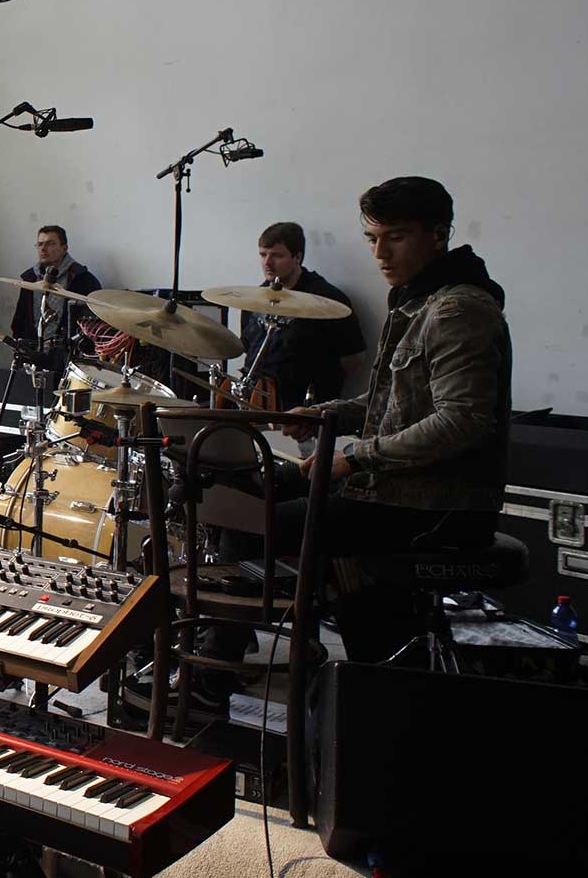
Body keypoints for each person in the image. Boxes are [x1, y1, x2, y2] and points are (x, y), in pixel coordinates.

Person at [214, 178, 511, 677]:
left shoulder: (457, 309)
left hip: (436, 504)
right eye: (372, 238)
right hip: (395, 491)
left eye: (396, 237)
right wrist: (325, 413)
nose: (380, 253)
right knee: (241, 492)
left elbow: (461, 420)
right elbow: (390, 403)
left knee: (251, 523)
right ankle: (255, 651)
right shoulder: (417, 300)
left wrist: (353, 457)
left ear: (438, 234)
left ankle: (215, 672)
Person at [238, 222, 366, 408]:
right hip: (255, 402)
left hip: (304, 409)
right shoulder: (255, 299)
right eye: (263, 254)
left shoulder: (327, 298)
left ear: (297, 257)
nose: (267, 263)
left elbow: (353, 359)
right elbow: (248, 348)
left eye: (277, 256)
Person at [7, 225, 103, 367]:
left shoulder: (83, 280)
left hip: (68, 361)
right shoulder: (30, 279)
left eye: (50, 244)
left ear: (64, 248)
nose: (43, 249)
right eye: (40, 244)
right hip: (33, 358)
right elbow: (19, 321)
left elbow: (94, 329)